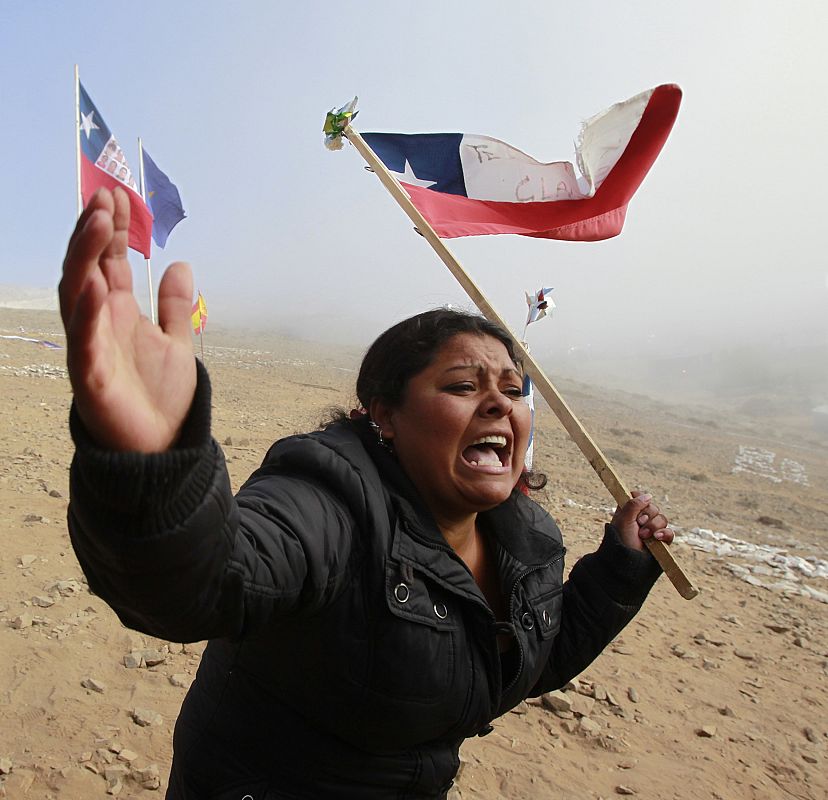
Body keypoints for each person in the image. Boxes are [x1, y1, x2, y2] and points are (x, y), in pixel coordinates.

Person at [60, 187, 674, 800]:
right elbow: (207, 582)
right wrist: (156, 470)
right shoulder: (331, 497)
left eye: (513, 392)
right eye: (462, 384)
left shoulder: (529, 537)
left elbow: (527, 659)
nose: (498, 402)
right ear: (384, 414)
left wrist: (621, 566)